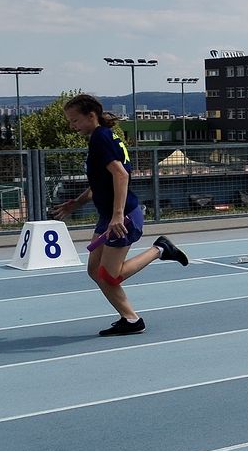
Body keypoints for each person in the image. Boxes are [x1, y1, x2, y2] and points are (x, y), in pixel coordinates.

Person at [50, 93, 188, 336]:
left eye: (75, 120)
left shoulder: (101, 138)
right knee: (95, 270)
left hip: (123, 218)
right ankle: (130, 319)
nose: (72, 126)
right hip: (108, 217)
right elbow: (101, 182)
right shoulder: (101, 137)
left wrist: (116, 215)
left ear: (91, 116)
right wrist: (77, 203)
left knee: (109, 276)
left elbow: (121, 175)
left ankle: (160, 250)